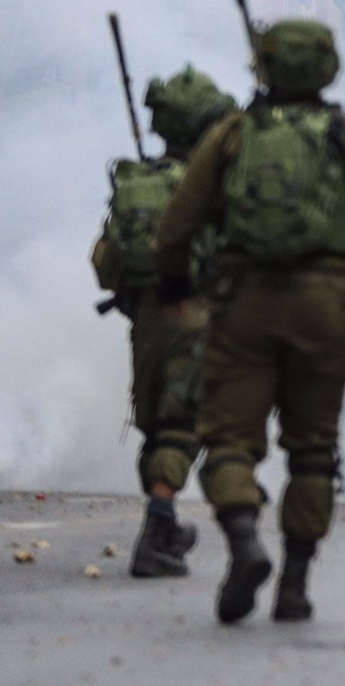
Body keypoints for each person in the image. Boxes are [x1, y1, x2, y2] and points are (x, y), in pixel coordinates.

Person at [154, 19, 345, 625]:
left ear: (262, 69)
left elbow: (177, 224)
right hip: (325, 305)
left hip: (244, 302)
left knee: (229, 440)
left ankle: (245, 542)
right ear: (329, 68)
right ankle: (294, 585)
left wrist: (173, 285)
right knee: (313, 450)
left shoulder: (231, 135)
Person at [91, 66, 237, 577]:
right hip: (198, 318)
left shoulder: (138, 185)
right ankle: (158, 530)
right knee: (182, 427)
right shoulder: (211, 188)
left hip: (147, 323)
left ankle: (164, 525)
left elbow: (105, 264)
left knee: (157, 427)